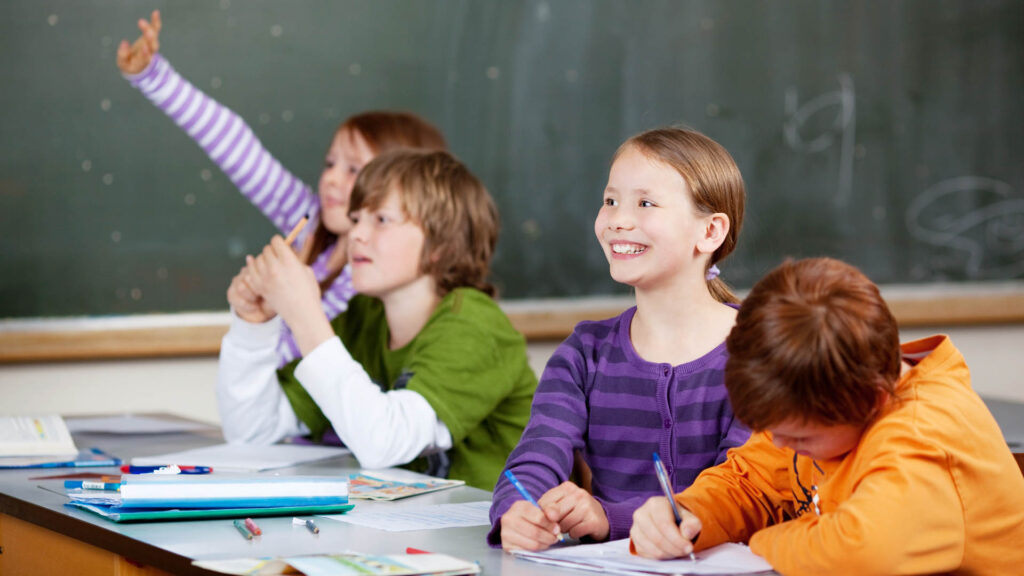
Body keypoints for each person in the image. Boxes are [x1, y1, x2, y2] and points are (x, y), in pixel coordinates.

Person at [630, 257, 1024, 575]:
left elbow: (863, 552)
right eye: (770, 430)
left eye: (801, 440)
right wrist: (687, 514)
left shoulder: (920, 434)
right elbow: (749, 482)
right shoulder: (816, 397)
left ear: (872, 400)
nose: (781, 444)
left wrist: (764, 540)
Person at [117, 11, 446, 367]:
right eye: (330, 163)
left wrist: (255, 339)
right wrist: (154, 78)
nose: (332, 179)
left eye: (354, 169)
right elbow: (235, 146)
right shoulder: (310, 218)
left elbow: (298, 362)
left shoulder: (374, 275)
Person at [489, 127, 751, 550]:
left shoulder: (761, 354)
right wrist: (515, 510)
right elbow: (538, 452)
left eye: (645, 203)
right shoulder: (584, 353)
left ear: (710, 232)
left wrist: (608, 516)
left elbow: (741, 493)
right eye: (610, 200)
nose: (617, 220)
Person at [216, 149, 538, 491]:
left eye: (381, 220)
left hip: (497, 534)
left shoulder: (475, 324)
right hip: (413, 528)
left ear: (441, 244)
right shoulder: (364, 316)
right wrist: (253, 326)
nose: (356, 234)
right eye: (355, 219)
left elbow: (383, 442)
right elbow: (253, 431)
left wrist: (304, 314)